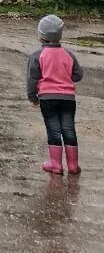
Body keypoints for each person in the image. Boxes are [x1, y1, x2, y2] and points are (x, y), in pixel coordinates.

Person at [27, 13, 83, 175]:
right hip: (68, 99)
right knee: (69, 129)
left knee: (53, 130)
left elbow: (32, 79)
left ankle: (56, 164)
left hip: (47, 98)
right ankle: (73, 165)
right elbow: (78, 75)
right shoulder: (68, 54)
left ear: (40, 37)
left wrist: (33, 97)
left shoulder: (38, 56)